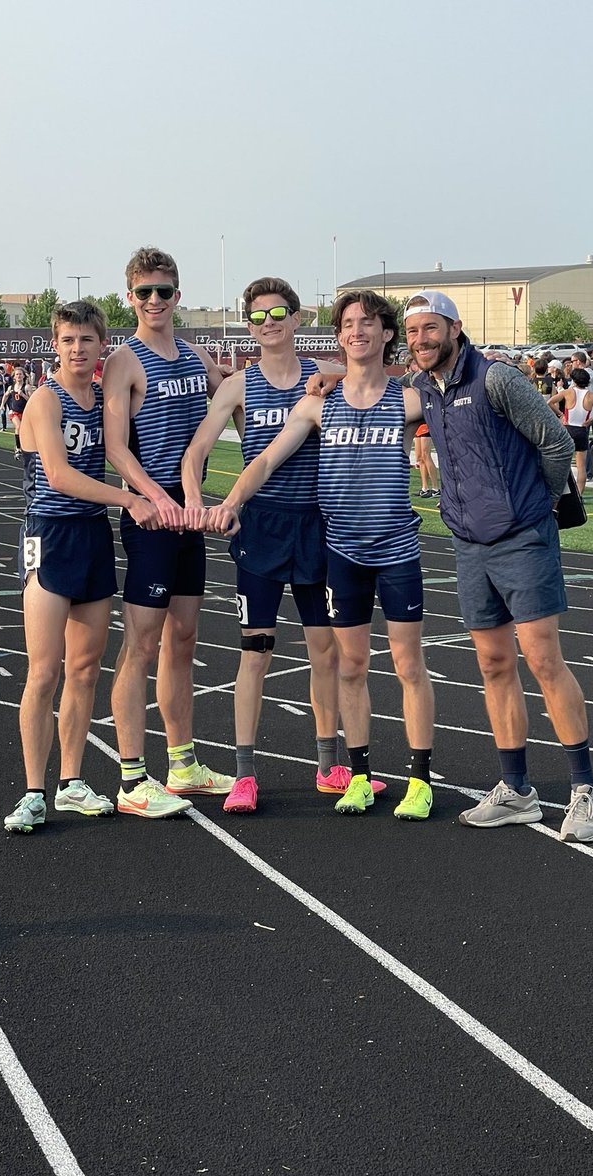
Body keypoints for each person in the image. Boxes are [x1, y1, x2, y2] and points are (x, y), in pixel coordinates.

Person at [206, 289, 435, 821]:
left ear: (386, 334)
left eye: (368, 323)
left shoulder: (409, 400)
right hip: (339, 550)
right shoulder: (316, 402)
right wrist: (230, 502)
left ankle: (419, 780)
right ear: (338, 336)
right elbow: (264, 462)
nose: (357, 331)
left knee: (406, 664)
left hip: (395, 547)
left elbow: (458, 378)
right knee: (348, 665)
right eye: (348, 324)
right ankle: (352, 775)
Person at [402, 290, 593, 844]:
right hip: (468, 542)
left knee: (542, 659)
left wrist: (533, 503)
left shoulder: (496, 379)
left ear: (454, 327)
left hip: (522, 536)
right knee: (494, 664)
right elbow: (365, 387)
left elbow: (556, 442)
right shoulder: (425, 387)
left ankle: (585, 790)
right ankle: (517, 790)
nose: (420, 340)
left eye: (430, 329)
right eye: (413, 331)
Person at [180, 276, 376, 814]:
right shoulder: (238, 387)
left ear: (297, 318)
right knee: (255, 653)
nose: (269, 324)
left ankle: (329, 765)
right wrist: (199, 506)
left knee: (325, 654)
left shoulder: (325, 379)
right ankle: (244, 774)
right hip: (261, 531)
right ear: (250, 326)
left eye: (279, 313)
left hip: (318, 528)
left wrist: (336, 374)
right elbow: (193, 454)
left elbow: (377, 382)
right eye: (259, 316)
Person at [3, 300, 157, 833]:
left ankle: (71, 783)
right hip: (50, 536)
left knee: (85, 669)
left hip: (92, 537)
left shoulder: (102, 400)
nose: (76, 349)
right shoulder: (46, 401)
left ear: (101, 346)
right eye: (67, 340)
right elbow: (60, 477)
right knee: (43, 671)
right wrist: (129, 499)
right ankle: (32, 791)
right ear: (55, 344)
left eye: (86, 341)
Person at [103, 245, 235, 817]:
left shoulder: (196, 353)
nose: (154, 301)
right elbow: (114, 449)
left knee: (183, 641)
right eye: (144, 292)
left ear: (178, 295)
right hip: (156, 519)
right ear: (130, 297)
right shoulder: (123, 361)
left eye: (164, 291)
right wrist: (159, 499)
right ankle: (133, 776)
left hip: (190, 519)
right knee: (140, 645)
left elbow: (235, 397)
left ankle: (183, 763)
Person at [555, 367, 593, 494]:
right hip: (581, 430)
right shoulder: (591, 396)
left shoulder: (568, 392)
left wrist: (561, 415)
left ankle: (561, 493)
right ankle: (579, 494)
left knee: (563, 464)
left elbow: (550, 402)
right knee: (581, 467)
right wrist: (592, 420)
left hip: (568, 429)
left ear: (574, 380)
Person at [6, 366, 33, 459]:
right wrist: (2, 405)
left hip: (25, 413)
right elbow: (5, 395)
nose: (18, 376)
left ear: (23, 376)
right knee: (18, 426)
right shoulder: (11, 387)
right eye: (17, 374)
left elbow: (32, 400)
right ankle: (18, 448)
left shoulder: (27, 387)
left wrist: (23, 395)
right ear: (14, 377)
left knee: (25, 431)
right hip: (14, 412)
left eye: (20, 374)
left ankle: (24, 447)